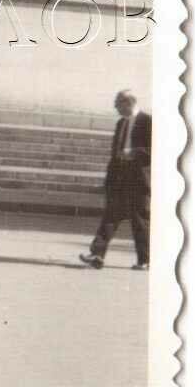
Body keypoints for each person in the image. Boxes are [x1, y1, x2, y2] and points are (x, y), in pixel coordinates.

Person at [80, 89, 151, 271]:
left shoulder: (148, 122)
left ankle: (145, 260)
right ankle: (97, 255)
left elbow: (157, 151)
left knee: (139, 220)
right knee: (110, 216)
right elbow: (114, 155)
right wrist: (108, 182)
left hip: (139, 179)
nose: (115, 108)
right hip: (120, 177)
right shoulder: (121, 123)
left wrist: (134, 153)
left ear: (129, 103)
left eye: (118, 104)